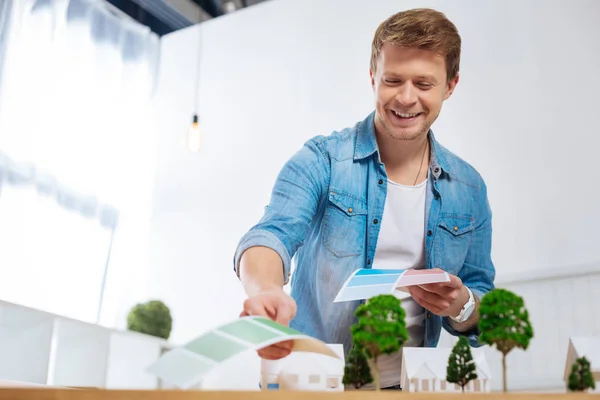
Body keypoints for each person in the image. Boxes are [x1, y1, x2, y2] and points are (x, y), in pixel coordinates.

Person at [233, 8, 495, 390]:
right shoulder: (323, 159)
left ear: (450, 86)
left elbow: (481, 301)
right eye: (393, 80)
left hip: (409, 386)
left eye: (424, 84)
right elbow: (269, 236)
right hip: (315, 381)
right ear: (373, 76)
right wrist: (267, 291)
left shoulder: (469, 188)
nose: (406, 99)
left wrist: (463, 304)